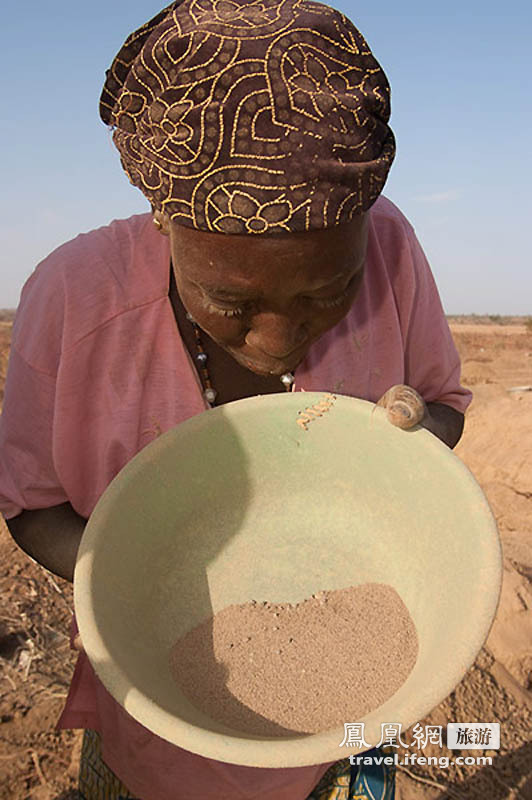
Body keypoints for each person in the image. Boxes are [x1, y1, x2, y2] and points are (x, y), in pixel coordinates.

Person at [0, 1, 471, 798]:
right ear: (164, 221)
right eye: (234, 303)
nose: (278, 340)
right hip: (157, 729)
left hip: (354, 724)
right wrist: (144, 583)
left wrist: (412, 438)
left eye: (332, 289)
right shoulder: (75, 299)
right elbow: (30, 503)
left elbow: (442, 405)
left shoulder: (393, 249)